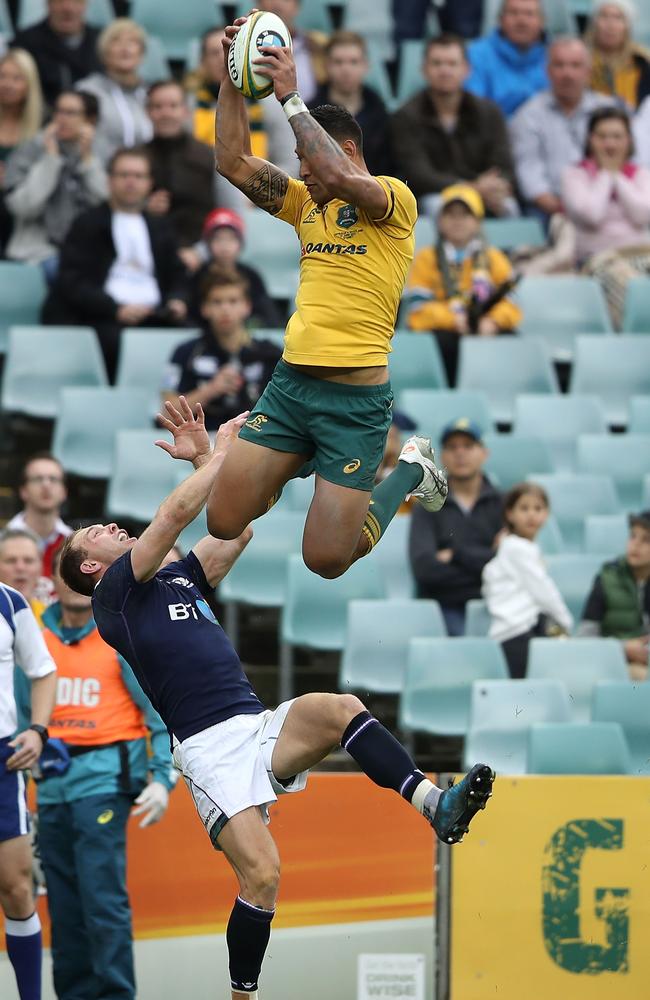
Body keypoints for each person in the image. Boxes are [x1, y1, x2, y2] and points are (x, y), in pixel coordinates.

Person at [58, 399, 494, 1000]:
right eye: (96, 533)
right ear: (89, 564)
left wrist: (209, 457)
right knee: (263, 877)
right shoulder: (115, 597)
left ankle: (434, 805)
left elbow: (234, 531)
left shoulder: (176, 577)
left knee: (340, 708)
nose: (109, 526)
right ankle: (244, 996)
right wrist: (226, 457)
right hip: (209, 750)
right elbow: (173, 516)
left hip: (254, 723)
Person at [208, 15, 450, 581]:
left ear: (342, 149)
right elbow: (232, 162)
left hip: (355, 406)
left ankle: (411, 470)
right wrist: (233, 77)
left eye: (307, 158)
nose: (300, 172)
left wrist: (291, 94)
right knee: (221, 521)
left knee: (326, 560)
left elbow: (341, 180)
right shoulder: (306, 205)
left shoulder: (392, 200)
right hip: (293, 386)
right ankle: (301, 454)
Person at [35, 549, 175, 1000]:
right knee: (63, 907)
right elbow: (19, 715)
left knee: (102, 903)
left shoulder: (116, 631)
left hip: (104, 783)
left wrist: (161, 777)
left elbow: (157, 708)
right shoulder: (36, 638)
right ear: (55, 582)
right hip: (51, 788)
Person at [42, 146, 189, 381]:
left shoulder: (160, 226)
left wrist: (177, 299)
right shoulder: (87, 224)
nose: (131, 182)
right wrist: (115, 309)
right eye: (124, 175)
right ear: (110, 180)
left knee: (189, 340)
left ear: (149, 183)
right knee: (110, 341)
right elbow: (72, 281)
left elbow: (178, 273)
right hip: (103, 318)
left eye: (138, 176)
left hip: (156, 316)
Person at [0, 573, 56, 1000]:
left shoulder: (10, 602)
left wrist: (37, 731)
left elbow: (44, 672)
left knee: (18, 887)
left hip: (3, 760)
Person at [390, 34, 518, 220]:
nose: (444, 71)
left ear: (466, 70)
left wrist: (495, 185)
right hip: (435, 195)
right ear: (424, 69)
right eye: (437, 63)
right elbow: (417, 175)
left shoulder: (489, 112)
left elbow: (504, 166)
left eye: (452, 64)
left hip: (485, 193)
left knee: (508, 206)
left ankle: (515, 250)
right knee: (437, 205)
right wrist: (471, 187)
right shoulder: (406, 117)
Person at [404, 183, 522, 384]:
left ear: (477, 221)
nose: (457, 221)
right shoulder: (426, 258)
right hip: (447, 334)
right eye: (450, 214)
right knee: (438, 341)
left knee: (510, 339)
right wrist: (455, 320)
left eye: (465, 215)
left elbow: (511, 304)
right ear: (440, 221)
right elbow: (418, 308)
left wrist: (491, 323)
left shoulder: (494, 258)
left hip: (485, 329)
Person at [408, 419, 503, 636]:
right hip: (445, 605)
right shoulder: (426, 505)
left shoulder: (503, 503)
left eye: (468, 446)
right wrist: (487, 559)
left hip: (496, 603)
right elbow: (424, 570)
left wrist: (454, 555)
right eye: (452, 447)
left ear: (484, 453)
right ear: (442, 456)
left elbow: (512, 565)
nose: (460, 453)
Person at [162, 270, 282, 432]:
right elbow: (167, 414)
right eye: (217, 302)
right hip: (203, 441)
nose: (225, 309)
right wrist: (212, 389)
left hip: (255, 442)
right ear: (205, 308)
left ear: (247, 306)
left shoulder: (270, 353)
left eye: (233, 301)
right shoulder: (185, 352)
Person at [3, 88, 106, 275]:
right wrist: (50, 161)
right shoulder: (31, 150)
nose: (62, 118)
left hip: (91, 248)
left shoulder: (101, 152)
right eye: (59, 111)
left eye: (71, 113)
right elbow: (23, 208)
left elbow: (108, 205)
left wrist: (88, 161)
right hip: (38, 251)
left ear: (90, 120)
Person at [510, 37, 613, 220]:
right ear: (547, 71)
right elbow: (529, 174)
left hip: (607, 205)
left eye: (575, 65)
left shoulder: (609, 110)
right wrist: (563, 210)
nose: (568, 73)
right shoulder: (528, 115)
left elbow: (631, 163)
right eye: (559, 65)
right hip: (551, 210)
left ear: (588, 72)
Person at [482, 482, 573, 678]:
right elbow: (543, 591)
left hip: (520, 632)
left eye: (538, 508)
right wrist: (566, 621)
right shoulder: (516, 548)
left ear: (546, 514)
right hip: (516, 634)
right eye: (524, 508)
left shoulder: (513, 547)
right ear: (509, 514)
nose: (531, 514)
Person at [578, 509, 650, 680]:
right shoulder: (607, 577)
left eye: (646, 540)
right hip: (614, 663)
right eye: (632, 536)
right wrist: (622, 648)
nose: (636, 545)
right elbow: (584, 639)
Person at [308, 31, 392, 176]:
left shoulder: (379, 111)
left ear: (365, 66)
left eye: (353, 62)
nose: (346, 70)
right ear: (326, 66)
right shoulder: (310, 113)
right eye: (338, 62)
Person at [182, 207, 282, 328]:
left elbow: (268, 316)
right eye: (218, 239)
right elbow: (189, 317)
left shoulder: (252, 276)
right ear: (208, 244)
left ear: (240, 243)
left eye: (231, 239)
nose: (224, 246)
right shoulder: (197, 276)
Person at [144, 80, 215, 247]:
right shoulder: (136, 159)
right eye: (158, 107)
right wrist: (143, 207)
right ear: (148, 112)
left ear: (185, 111)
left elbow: (229, 212)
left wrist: (200, 253)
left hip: (201, 255)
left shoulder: (210, 157)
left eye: (173, 106)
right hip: (150, 253)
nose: (166, 113)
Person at [76, 18, 152, 165]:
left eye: (132, 42)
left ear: (142, 53)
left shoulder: (151, 93)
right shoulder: (88, 91)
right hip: (101, 173)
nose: (125, 48)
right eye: (116, 41)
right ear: (104, 53)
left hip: (146, 178)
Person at [12, 0, 102, 109]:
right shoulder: (25, 43)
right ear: (48, 4)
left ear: (85, 5)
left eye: (76, 1)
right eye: (59, 1)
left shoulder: (101, 42)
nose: (68, 8)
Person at [466, 0, 548, 118]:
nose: (521, 21)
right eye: (514, 13)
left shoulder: (556, 57)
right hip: (494, 133)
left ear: (542, 21)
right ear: (500, 19)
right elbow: (473, 109)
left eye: (529, 14)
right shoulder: (476, 55)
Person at [0, 49, 43, 252]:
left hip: (24, 212)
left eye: (17, 78)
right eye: (2, 76)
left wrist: (10, 178)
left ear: (29, 85)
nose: (7, 84)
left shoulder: (44, 126)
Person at [8, 452, 72, 584]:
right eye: (38, 479)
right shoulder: (3, 542)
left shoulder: (73, 544)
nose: (46, 485)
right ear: (23, 491)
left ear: (64, 492)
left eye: (53, 479)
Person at [585, 0, 650, 110]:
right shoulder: (578, 58)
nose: (610, 25)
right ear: (594, 23)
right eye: (604, 16)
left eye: (618, 18)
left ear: (627, 26)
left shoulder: (641, 60)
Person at [0, 528, 51, 623]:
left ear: (41, 567)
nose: (20, 567)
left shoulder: (52, 619)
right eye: (11, 560)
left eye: (28, 560)